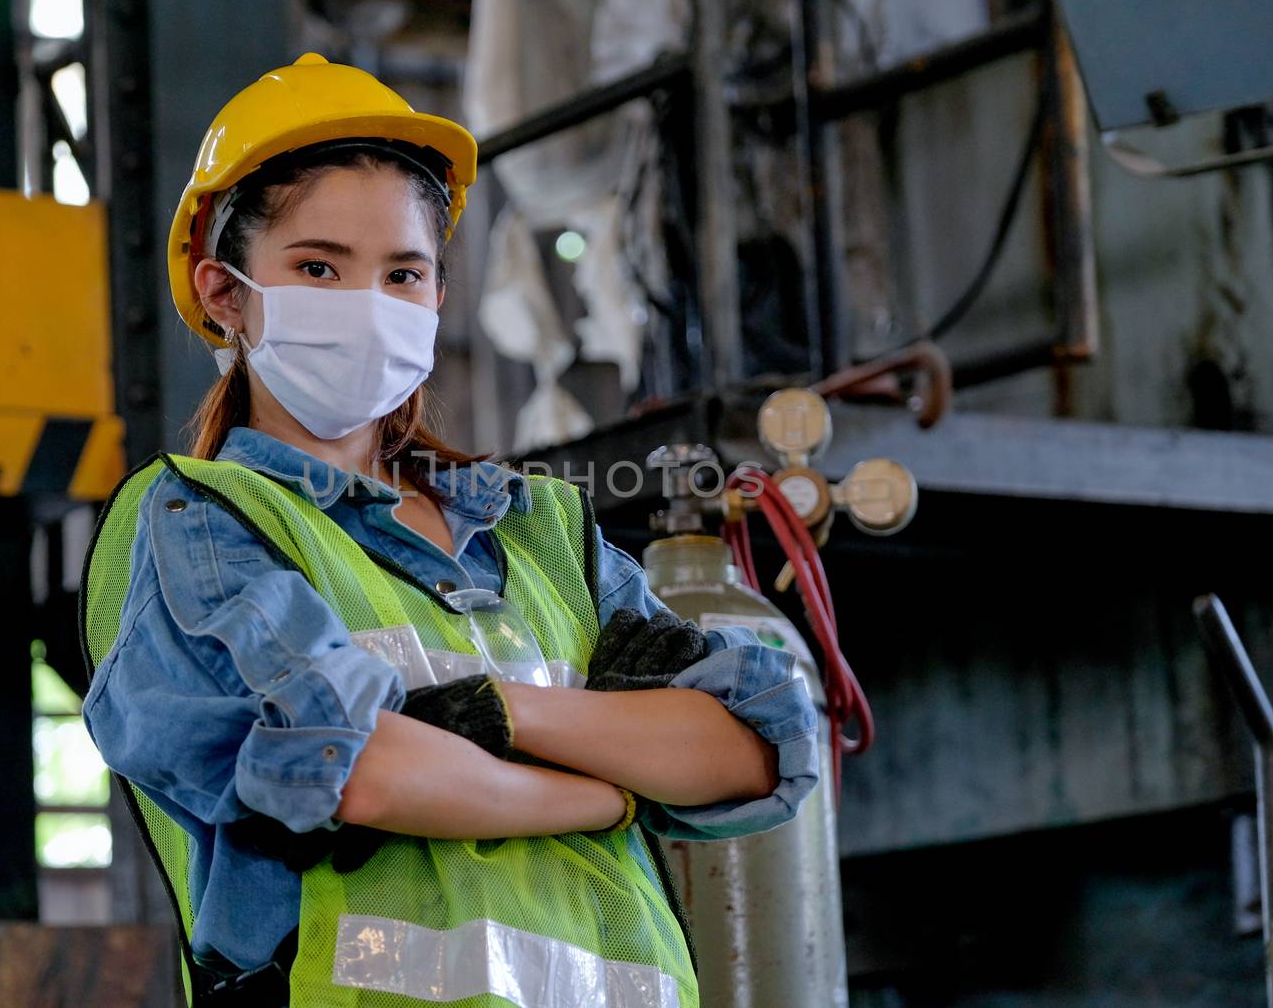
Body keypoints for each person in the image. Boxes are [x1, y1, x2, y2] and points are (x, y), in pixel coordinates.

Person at [80, 53, 820, 1008]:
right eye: (317, 267)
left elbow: (754, 746)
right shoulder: (201, 519)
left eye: (402, 273)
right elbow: (355, 771)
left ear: (437, 296)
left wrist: (503, 717)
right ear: (227, 293)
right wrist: (603, 790)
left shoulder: (538, 527)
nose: (368, 305)